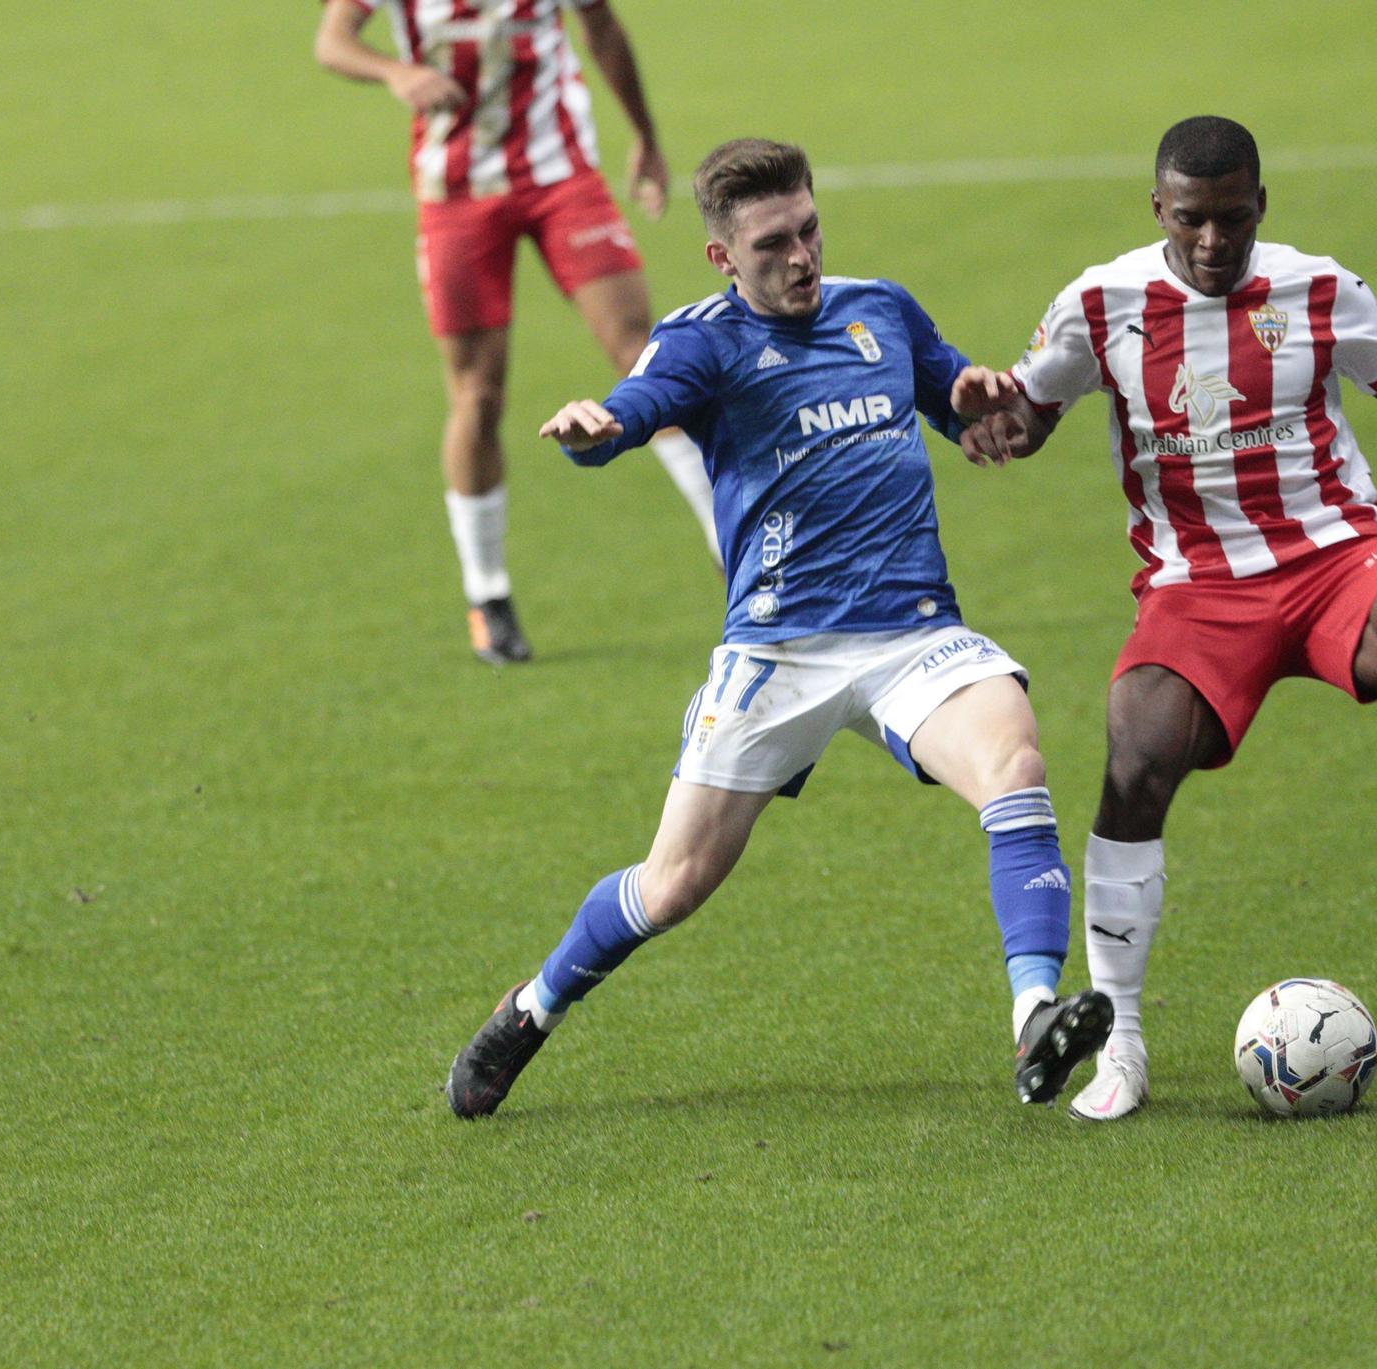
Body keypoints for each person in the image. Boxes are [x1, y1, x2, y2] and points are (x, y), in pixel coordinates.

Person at [954, 115, 1377, 1123]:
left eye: (1231, 220)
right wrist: (1001, 429)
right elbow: (1031, 412)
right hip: (1194, 588)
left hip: (1333, 557)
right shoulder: (1099, 303)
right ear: (1157, 212)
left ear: (1259, 206)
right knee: (1133, 762)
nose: (1212, 243)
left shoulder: (1320, 290)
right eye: (1191, 222)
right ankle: (1122, 1045)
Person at [444, 138, 1111, 1118]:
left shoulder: (878, 307)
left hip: (908, 634)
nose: (799, 257)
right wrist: (598, 430)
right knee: (670, 885)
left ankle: (1032, 1017)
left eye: (807, 230)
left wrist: (977, 398)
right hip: (775, 652)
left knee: (1013, 765)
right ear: (723, 257)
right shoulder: (700, 340)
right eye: (770, 245)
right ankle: (532, 1008)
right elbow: (637, 406)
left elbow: (958, 402)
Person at [314, 0, 720, 665]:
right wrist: (394, 72)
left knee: (641, 353)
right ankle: (488, 596)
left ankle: (725, 535)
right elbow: (331, 41)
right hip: (457, 192)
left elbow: (603, 29)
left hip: (562, 178)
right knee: (477, 394)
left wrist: (643, 133)